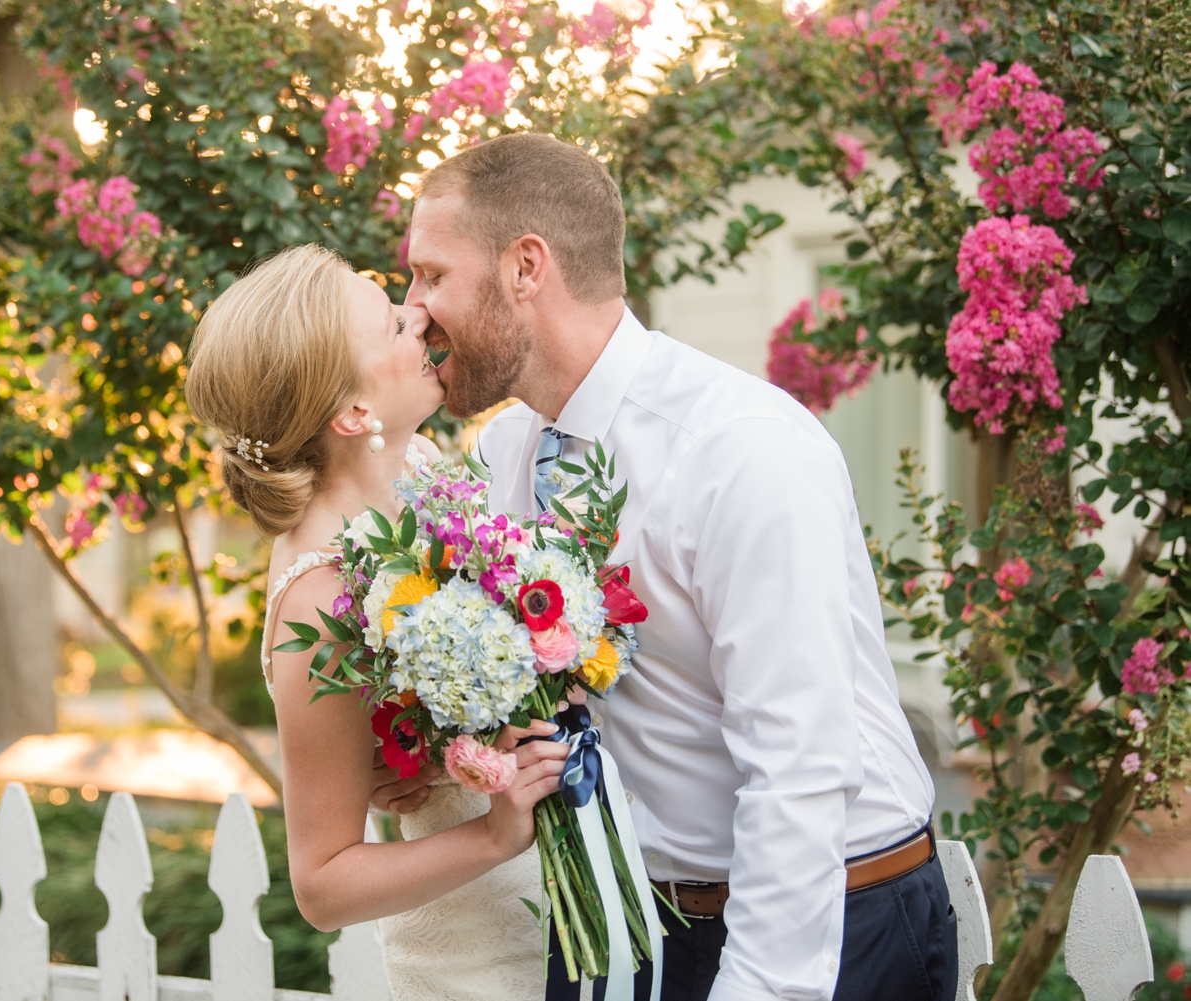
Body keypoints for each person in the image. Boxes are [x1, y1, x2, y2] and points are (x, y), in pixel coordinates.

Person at [380, 131, 957, 1001]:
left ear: (525, 266)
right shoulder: (503, 454)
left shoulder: (741, 450)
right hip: (628, 917)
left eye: (431, 274)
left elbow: (800, 762)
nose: (414, 307)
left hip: (834, 920)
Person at [182, 244, 566, 1001]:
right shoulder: (320, 598)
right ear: (354, 413)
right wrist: (493, 831)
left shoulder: (419, 467)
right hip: (476, 959)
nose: (418, 314)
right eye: (393, 324)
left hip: (559, 914)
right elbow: (322, 884)